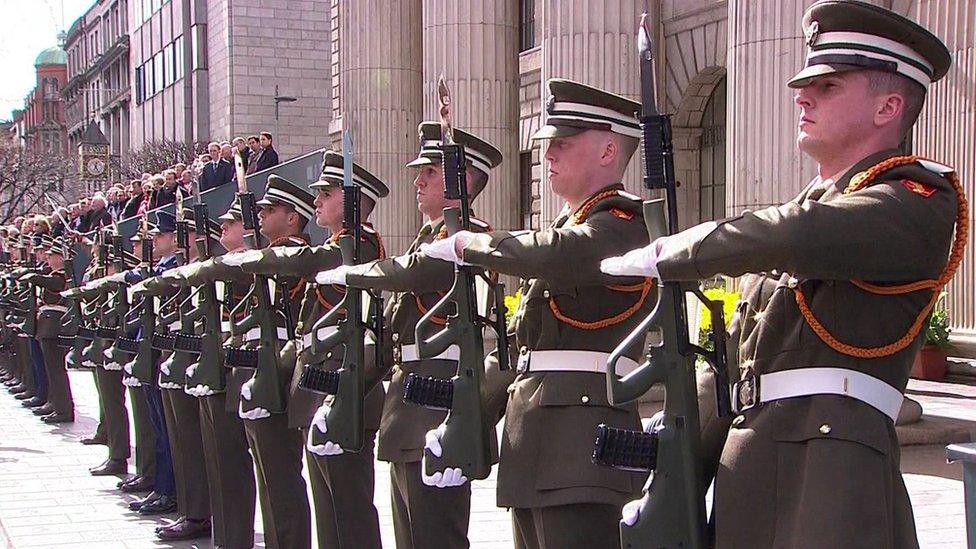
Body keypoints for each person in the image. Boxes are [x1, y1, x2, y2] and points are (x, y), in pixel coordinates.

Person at [600, 2, 960, 547]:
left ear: (889, 106)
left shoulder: (914, 200)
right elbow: (733, 369)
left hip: (830, 482)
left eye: (830, 86)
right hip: (746, 479)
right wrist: (671, 462)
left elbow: (802, 234)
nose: (802, 95)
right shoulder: (794, 221)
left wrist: (679, 250)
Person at [413, 80, 653, 548]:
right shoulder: (569, 227)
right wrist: (469, 417)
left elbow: (557, 252)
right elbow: (522, 357)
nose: (548, 155)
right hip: (536, 451)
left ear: (608, 150)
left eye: (562, 143)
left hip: (585, 453)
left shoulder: (624, 225)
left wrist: (473, 243)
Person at [319, 122, 505, 549]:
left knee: (436, 534)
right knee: (411, 534)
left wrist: (354, 272)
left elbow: (411, 274)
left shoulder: (468, 238)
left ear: (464, 177)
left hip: (439, 403)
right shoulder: (430, 236)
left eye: (432, 172)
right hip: (409, 405)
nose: (417, 180)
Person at [232, 150, 390, 548]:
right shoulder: (339, 243)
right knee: (329, 511)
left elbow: (311, 261)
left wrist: (255, 258)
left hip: (346, 383)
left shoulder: (360, 243)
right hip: (320, 381)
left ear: (353, 200)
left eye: (327, 191)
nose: (316, 199)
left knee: (349, 511)